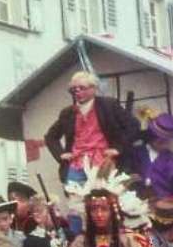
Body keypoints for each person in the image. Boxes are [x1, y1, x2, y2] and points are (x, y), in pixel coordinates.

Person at [44, 71, 140, 234]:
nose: (78, 92)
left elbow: (133, 126)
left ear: (93, 89)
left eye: (82, 88)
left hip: (102, 164)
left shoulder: (108, 105)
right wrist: (61, 155)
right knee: (76, 207)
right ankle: (78, 243)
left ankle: (110, 239)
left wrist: (118, 148)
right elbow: (51, 137)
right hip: (76, 165)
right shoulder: (68, 113)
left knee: (105, 205)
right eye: (74, 90)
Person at [131, 112, 173, 201]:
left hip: (163, 209)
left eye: (165, 140)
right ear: (152, 134)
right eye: (158, 137)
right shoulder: (136, 153)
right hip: (134, 206)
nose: (162, 141)